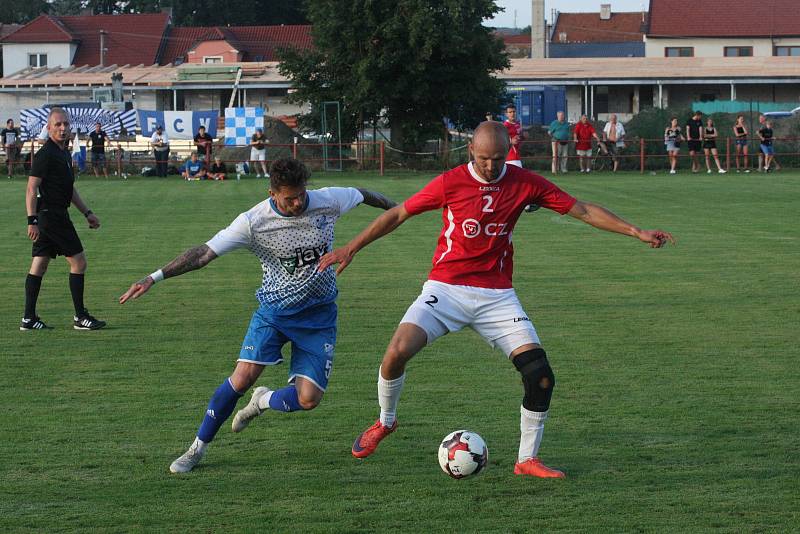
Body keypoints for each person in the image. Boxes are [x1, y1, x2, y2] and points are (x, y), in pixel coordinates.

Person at [318, 122, 674, 479]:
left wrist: (635, 231)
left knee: (541, 376)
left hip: (497, 296)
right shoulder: (451, 182)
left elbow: (580, 209)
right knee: (396, 352)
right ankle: (385, 422)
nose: (491, 166)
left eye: (499, 159)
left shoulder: (525, 183)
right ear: (471, 149)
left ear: (509, 153)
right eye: (485, 158)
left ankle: (527, 460)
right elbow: (398, 214)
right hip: (446, 288)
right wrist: (351, 247)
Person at [119, 157, 396, 474]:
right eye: (289, 197)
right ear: (272, 193)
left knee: (308, 400)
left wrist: (399, 207)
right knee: (241, 378)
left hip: (319, 316)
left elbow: (362, 193)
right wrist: (153, 277)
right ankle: (196, 449)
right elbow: (203, 254)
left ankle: (262, 401)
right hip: (274, 313)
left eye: (301, 194)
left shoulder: (327, 200)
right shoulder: (253, 221)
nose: (298, 202)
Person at [21, 108, 106, 331]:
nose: (63, 128)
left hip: (53, 215)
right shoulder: (46, 154)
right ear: (48, 128)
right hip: (51, 216)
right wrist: (32, 220)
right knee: (79, 262)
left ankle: (28, 319)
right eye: (58, 124)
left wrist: (87, 213)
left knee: (39, 264)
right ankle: (80, 317)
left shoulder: (64, 153)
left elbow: (69, 190)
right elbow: (31, 188)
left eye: (66, 124)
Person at [503, 104, 525, 168]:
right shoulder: (505, 126)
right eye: (510, 112)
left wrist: (523, 136)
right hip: (510, 157)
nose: (512, 114)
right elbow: (500, 140)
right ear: (506, 114)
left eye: (514, 112)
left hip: (517, 155)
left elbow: (519, 138)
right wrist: (510, 141)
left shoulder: (517, 124)